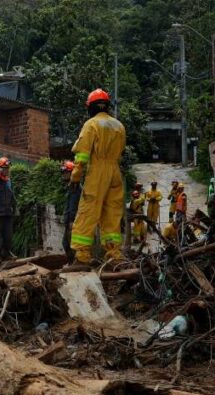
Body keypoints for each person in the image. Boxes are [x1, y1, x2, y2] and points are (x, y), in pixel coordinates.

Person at [69, 88, 127, 265]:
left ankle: (82, 256)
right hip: (115, 173)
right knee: (112, 213)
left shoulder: (91, 124)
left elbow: (82, 154)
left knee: (88, 211)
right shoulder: (119, 126)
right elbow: (121, 151)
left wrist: (76, 176)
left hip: (98, 172)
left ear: (91, 107)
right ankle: (113, 254)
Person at [61, 160, 81, 262]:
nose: (63, 175)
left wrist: (72, 220)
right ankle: (71, 263)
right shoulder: (71, 187)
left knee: (70, 244)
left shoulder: (75, 187)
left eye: (65, 173)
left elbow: (74, 206)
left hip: (72, 222)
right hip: (69, 221)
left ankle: (74, 263)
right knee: (66, 243)